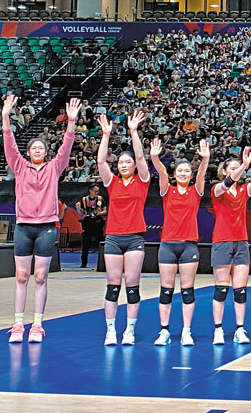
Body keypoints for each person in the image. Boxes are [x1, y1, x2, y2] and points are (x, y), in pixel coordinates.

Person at [3, 94, 80, 343]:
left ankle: (37, 324)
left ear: (46, 153)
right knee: (21, 276)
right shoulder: (20, 166)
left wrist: (71, 122)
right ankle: (17, 325)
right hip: (24, 227)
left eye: (42, 148)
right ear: (28, 152)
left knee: (40, 277)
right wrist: (5, 116)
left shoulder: (54, 168)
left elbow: (66, 146)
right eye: (34, 148)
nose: (38, 150)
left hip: (46, 226)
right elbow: (9, 144)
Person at [96, 110, 150, 346]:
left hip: (135, 238)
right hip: (114, 239)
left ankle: (129, 330)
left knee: (132, 286)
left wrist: (133, 132)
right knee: (112, 285)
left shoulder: (142, 181)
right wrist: (106, 135)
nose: (125, 164)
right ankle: (110, 330)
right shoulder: (112, 183)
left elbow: (140, 158)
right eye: (121, 162)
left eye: (128, 162)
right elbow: (100, 161)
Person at [150, 137, 209, 347]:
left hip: (188, 246)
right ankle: (164, 330)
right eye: (180, 171)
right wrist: (155, 157)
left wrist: (205, 159)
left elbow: (202, 173)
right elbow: (161, 173)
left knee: (187, 290)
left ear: (190, 175)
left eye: (187, 171)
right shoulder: (168, 191)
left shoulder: (195, 192)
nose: (183, 173)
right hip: (167, 244)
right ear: (175, 175)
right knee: (166, 289)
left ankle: (186, 331)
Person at [211, 148, 251, 345]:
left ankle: (240, 329)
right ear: (224, 171)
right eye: (232, 168)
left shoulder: (243, 190)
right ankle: (218, 330)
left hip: (241, 241)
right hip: (222, 241)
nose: (236, 171)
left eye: (238, 168)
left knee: (240, 290)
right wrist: (244, 166)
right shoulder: (217, 188)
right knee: (221, 289)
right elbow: (228, 182)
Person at [75, 184, 106, 269]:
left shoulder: (100, 199)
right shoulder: (84, 200)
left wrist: (98, 213)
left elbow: (104, 210)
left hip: (98, 223)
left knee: (101, 243)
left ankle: (104, 263)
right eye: (95, 191)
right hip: (88, 223)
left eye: (97, 191)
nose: (97, 192)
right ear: (90, 190)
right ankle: (84, 263)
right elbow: (81, 212)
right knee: (86, 244)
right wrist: (78, 208)